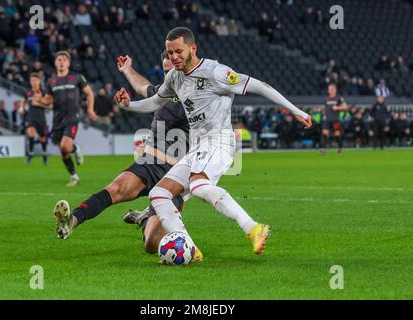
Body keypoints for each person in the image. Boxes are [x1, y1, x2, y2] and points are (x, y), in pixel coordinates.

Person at [115, 27, 312, 257]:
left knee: (199, 186)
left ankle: (254, 228)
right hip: (198, 147)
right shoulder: (174, 77)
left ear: (193, 48)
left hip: (219, 141)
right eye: (170, 54)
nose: (174, 57)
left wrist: (296, 111)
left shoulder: (215, 72)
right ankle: (189, 248)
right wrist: (128, 105)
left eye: (179, 51)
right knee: (158, 194)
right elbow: (155, 102)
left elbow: (259, 86)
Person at [51, 51, 194, 256]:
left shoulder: (197, 99)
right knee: (116, 187)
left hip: (176, 174)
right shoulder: (163, 92)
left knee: (152, 244)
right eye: (165, 70)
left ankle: (144, 218)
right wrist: (127, 69)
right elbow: (141, 86)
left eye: (171, 70)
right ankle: (73, 219)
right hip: (150, 162)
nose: (168, 75)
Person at [33, 51, 97, 186]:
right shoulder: (51, 80)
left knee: (64, 145)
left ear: (68, 63)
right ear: (55, 63)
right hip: (57, 119)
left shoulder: (77, 77)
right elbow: (49, 101)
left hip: (72, 117)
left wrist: (90, 110)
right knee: (63, 150)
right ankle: (74, 172)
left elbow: (90, 94)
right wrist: (40, 101)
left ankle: (73, 160)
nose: (61, 62)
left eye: (64, 60)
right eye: (59, 60)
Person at [20, 73, 50, 165]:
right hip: (30, 117)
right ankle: (31, 154)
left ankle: (44, 154)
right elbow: (23, 100)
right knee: (31, 133)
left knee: (42, 138)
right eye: (31, 80)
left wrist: (38, 104)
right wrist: (21, 108)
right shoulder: (28, 92)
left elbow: (50, 105)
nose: (33, 82)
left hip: (41, 119)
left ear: (39, 81)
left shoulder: (43, 92)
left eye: (35, 80)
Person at [320, 83, 348, 154]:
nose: (330, 90)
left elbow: (345, 107)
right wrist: (321, 110)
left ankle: (340, 149)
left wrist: (337, 107)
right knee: (324, 132)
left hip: (335, 119)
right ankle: (323, 149)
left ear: (335, 90)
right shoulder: (326, 99)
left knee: (337, 134)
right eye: (329, 89)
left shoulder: (339, 98)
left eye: (332, 89)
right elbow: (325, 108)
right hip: (327, 119)